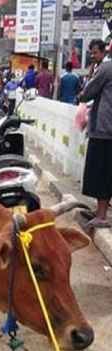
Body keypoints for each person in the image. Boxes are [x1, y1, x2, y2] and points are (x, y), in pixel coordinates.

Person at [77, 41, 112, 228]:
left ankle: (102, 215)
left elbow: (87, 93)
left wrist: (81, 94)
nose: (92, 56)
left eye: (94, 53)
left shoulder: (106, 68)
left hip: (104, 129)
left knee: (100, 173)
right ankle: (100, 211)